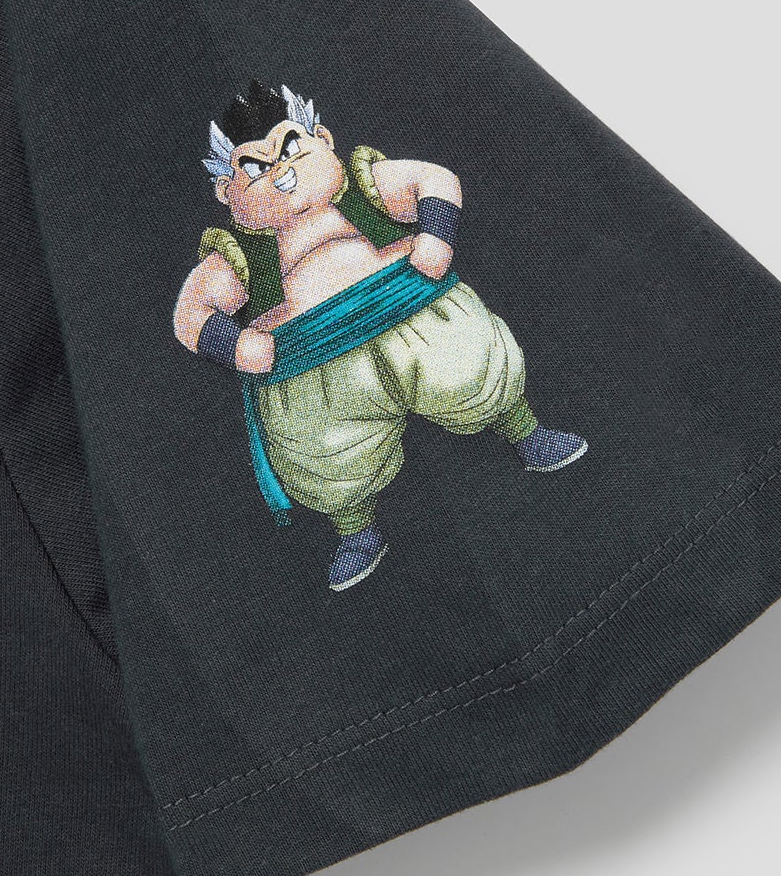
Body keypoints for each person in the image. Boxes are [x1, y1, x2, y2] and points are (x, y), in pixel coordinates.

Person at [172, 79, 588, 590]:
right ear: (226, 192)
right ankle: (355, 532)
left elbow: (433, 179)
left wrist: (436, 236)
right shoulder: (239, 252)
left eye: (290, 147)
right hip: (312, 363)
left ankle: (526, 432)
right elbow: (191, 313)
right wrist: (236, 344)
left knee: (472, 369)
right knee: (327, 454)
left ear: (323, 140)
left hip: (412, 310)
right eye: (255, 168)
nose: (281, 173)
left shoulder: (365, 188)